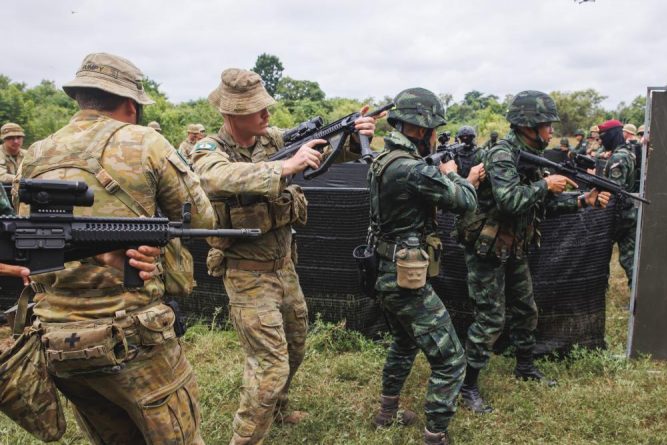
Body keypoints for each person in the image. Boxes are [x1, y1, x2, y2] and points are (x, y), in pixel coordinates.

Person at [15, 52, 214, 444]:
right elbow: (202, 221)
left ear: (82, 99)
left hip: (60, 341)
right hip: (134, 337)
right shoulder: (146, 142)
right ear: (130, 105)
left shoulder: (36, 154)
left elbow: (31, 241)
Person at [191, 68, 380, 445]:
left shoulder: (270, 140)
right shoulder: (210, 149)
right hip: (246, 275)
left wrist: (354, 135)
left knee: (294, 346)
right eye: (256, 108)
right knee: (269, 366)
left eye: (265, 106)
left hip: (283, 268)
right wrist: (283, 168)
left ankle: (277, 409)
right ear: (231, 114)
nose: (266, 114)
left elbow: (325, 152)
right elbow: (211, 177)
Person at [456, 90, 610, 414]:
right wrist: (545, 185)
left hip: (514, 248)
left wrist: (585, 200)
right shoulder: (502, 155)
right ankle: (467, 386)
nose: (551, 132)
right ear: (528, 125)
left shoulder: (530, 154)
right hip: (488, 251)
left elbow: (546, 205)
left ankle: (525, 368)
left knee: (526, 311)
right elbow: (510, 200)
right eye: (546, 125)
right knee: (490, 319)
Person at [368, 87, 482, 445]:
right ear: (421, 130)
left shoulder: (384, 159)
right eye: (433, 130)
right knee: (450, 360)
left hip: (387, 270)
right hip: (406, 279)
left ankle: (386, 413)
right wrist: (456, 174)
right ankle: (435, 436)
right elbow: (465, 201)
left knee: (404, 342)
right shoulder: (413, 168)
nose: (435, 137)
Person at [598, 119, 638, 287]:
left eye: (603, 136)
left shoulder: (619, 157)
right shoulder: (627, 152)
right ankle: (637, 292)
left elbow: (615, 189)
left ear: (612, 135)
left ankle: (600, 290)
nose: (601, 140)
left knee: (599, 254)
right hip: (628, 213)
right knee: (630, 258)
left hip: (616, 216)